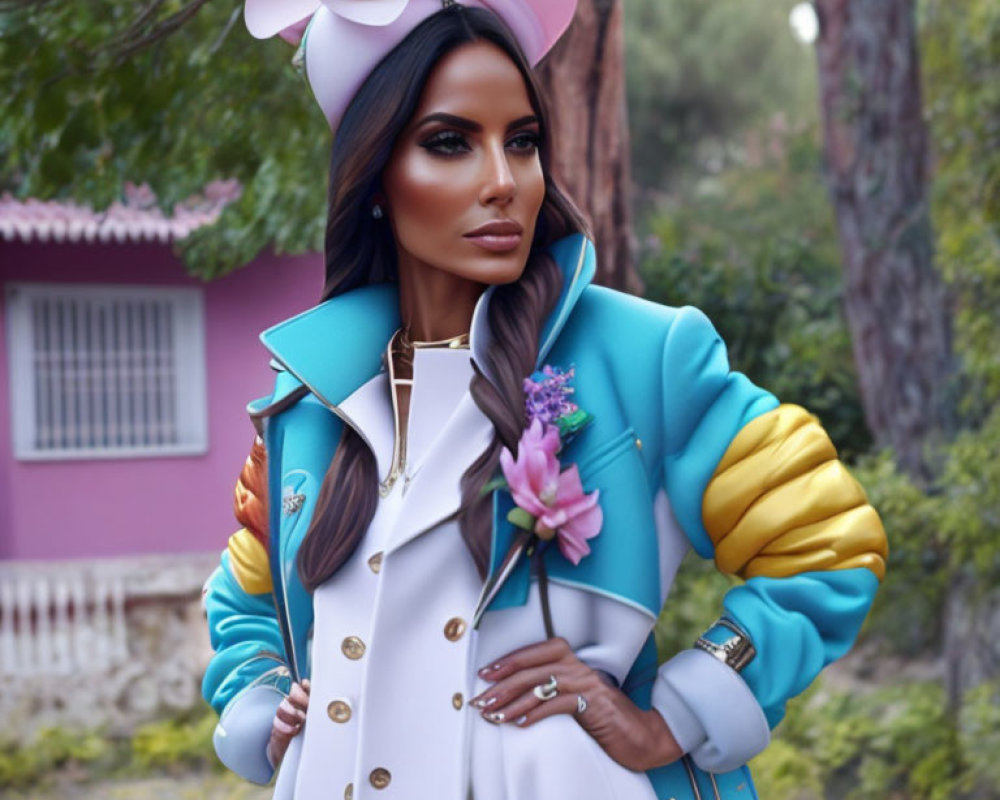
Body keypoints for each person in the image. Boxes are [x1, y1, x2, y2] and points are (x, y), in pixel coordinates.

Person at [202, 2, 889, 798]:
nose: (503, 182)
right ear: (375, 177)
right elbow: (243, 601)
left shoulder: (644, 357)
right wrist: (267, 709)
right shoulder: (308, 405)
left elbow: (827, 542)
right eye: (450, 143)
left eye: (522, 142)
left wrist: (680, 710)